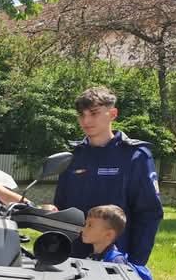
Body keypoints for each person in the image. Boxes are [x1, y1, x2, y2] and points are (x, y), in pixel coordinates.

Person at [53, 86, 163, 265]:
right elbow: (62, 208)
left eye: (94, 113)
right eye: (81, 114)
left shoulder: (135, 156)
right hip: (71, 258)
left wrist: (135, 265)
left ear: (113, 114)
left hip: (115, 260)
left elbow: (149, 213)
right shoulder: (73, 156)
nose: (86, 120)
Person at [81, 204, 154, 280]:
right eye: (85, 224)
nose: (83, 229)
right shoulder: (92, 257)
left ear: (109, 234)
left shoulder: (115, 262)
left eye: (90, 225)